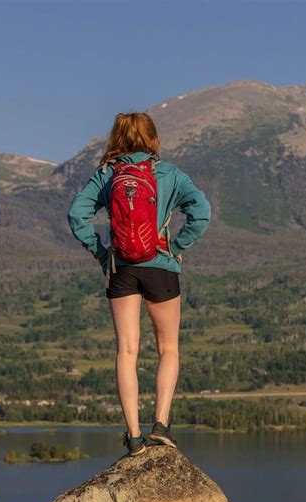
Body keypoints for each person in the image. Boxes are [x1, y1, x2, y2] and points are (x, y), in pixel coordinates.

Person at [67, 112, 212, 456]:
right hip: (161, 267)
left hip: (122, 269)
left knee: (127, 351)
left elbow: (77, 214)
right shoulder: (169, 173)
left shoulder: (107, 175)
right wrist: (176, 247)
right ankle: (160, 426)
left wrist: (101, 253)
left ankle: (133, 438)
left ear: (117, 138)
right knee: (168, 349)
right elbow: (202, 210)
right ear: (152, 138)